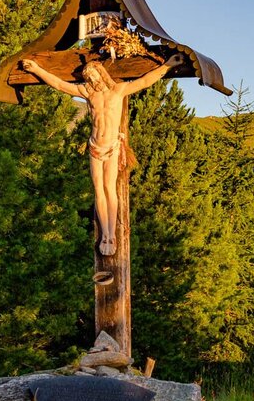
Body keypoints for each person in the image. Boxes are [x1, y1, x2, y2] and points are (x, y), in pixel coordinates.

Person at [22, 53, 185, 255]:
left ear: (102, 73)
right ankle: (105, 233)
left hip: (111, 147)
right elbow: (59, 84)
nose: (92, 80)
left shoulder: (119, 90)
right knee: (99, 190)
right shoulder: (88, 93)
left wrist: (167, 65)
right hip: (94, 146)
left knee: (110, 189)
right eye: (88, 78)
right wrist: (36, 69)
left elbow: (145, 81)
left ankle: (111, 236)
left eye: (94, 76)